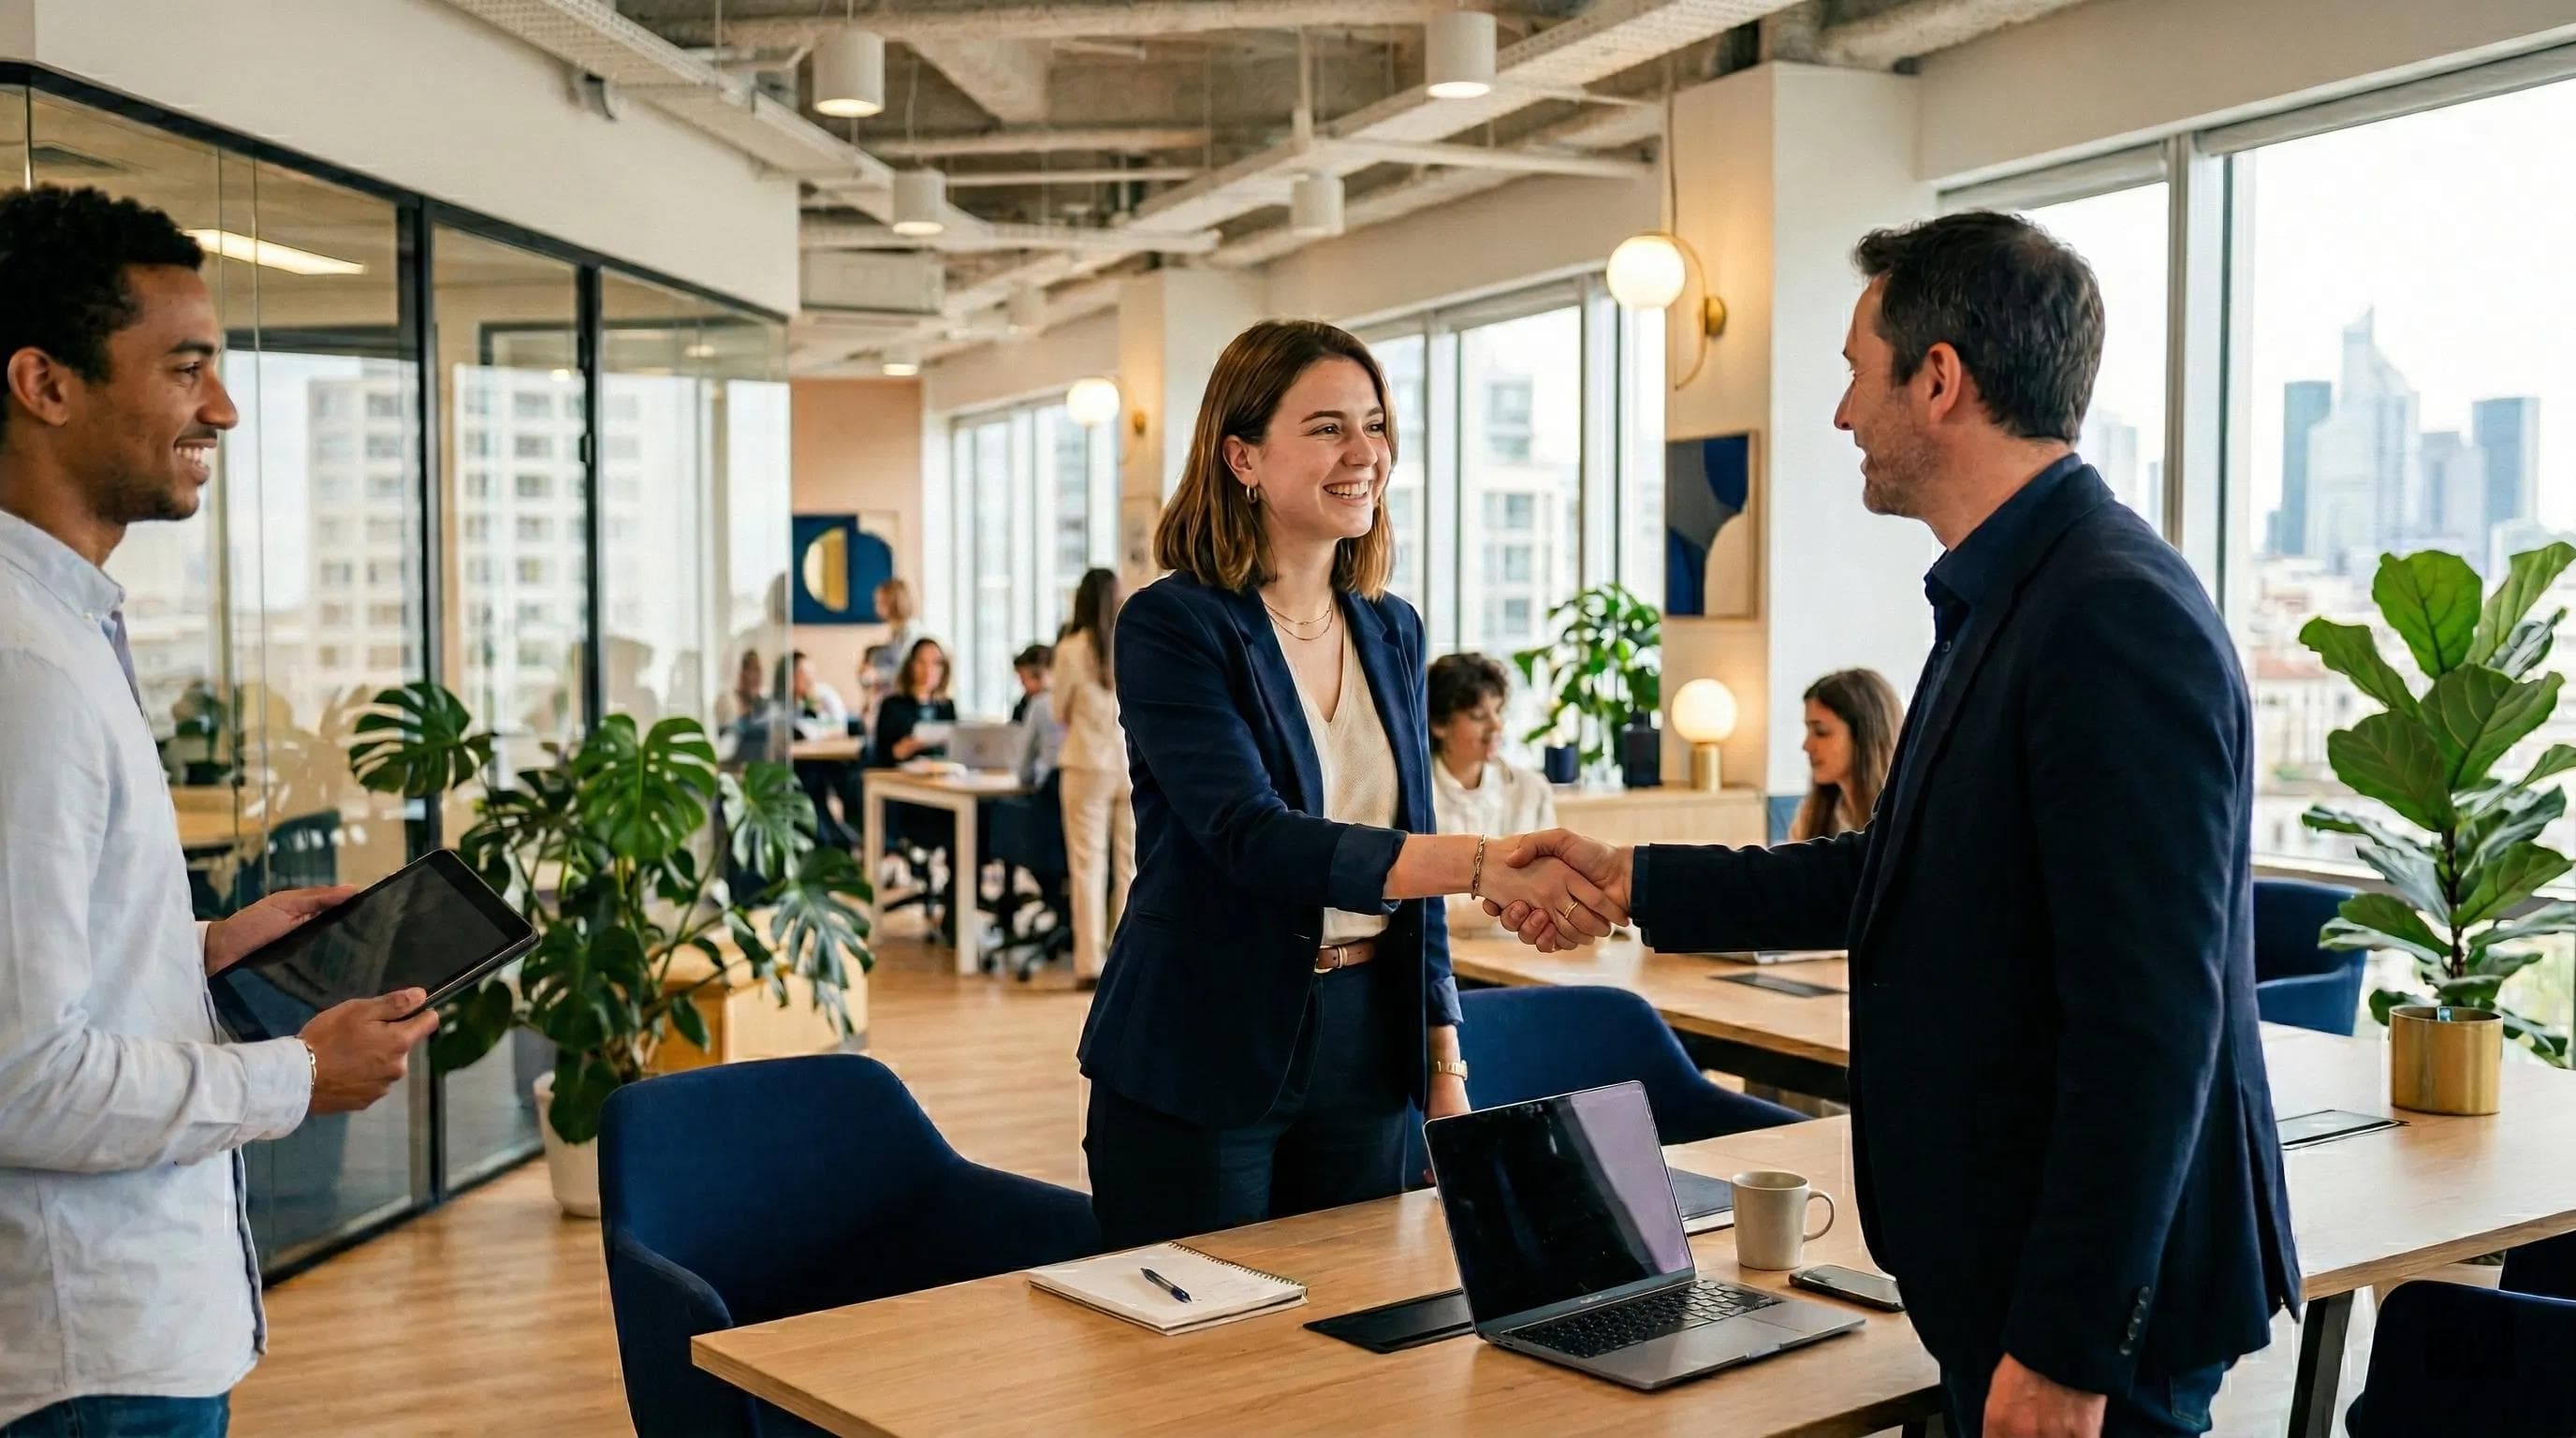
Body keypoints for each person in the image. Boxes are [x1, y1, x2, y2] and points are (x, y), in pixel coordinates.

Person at [1491, 213, 2298, 1438]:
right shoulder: (2012, 595)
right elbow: (1899, 868)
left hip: (2084, 1313)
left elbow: (2150, 1024)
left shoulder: (2109, 616)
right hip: (2004, 1272)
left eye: (1857, 372)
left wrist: (2066, 1347)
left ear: (1939, 381)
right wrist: (1632, 876)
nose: (1840, 414)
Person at [0, 185, 438, 1438]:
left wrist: (196, 954)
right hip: (87, 1352)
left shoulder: (62, 628)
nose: (224, 408)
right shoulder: (25, 666)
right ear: (47, 383)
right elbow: (19, 1079)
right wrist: (297, 1075)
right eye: (186, 368)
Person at [1077, 318, 1619, 1252]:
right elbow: (1253, 837)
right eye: (1328, 427)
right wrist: (1483, 862)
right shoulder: (1173, 626)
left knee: (1356, 1345)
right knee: (1206, 1375)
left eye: (1373, 423)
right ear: (1241, 456)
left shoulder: (1390, 628)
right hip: (1207, 1042)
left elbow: (1414, 858)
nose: (1365, 452)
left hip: (1367, 1048)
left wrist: (1442, 1056)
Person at [1425, 652, 1556, 934]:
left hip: (1520, 952)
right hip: (1442, 957)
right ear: (1439, 724)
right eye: (1478, 716)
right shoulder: (1417, 796)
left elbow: (1547, 888)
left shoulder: (1530, 790)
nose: (1496, 726)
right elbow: (1425, 908)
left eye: (1499, 712)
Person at [1051, 568, 1134, 987]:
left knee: (1087, 864)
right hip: (1129, 766)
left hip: (1086, 763)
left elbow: (1057, 710)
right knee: (1129, 866)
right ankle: (1124, 958)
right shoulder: (1132, 642)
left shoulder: (1070, 649)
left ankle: (1089, 963)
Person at [1789, 668, 1903, 843]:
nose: (1807, 745)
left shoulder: (1902, 817)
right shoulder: (1810, 816)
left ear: (1864, 736)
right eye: (1808, 730)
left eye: (1821, 731)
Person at [866, 638, 956, 769]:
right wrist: (899, 751)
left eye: (936, 663)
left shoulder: (946, 706)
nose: (928, 670)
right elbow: (879, 757)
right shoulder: (892, 705)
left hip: (939, 775)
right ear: (910, 665)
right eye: (921, 662)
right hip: (902, 778)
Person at [1009, 642, 1061, 787]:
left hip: (1048, 789)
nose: (1023, 686)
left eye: (1024, 679)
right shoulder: (1075, 700)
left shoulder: (1039, 704)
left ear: (1043, 674)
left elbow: (1024, 770)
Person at [861, 578, 921, 696]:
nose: (876, 606)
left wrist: (876, 674)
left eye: (880, 601)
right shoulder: (897, 631)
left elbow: (905, 670)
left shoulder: (910, 631)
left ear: (893, 602)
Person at [783, 650, 847, 741]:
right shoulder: (783, 702)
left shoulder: (825, 695)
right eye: (804, 673)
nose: (810, 678)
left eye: (812, 672)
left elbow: (841, 729)